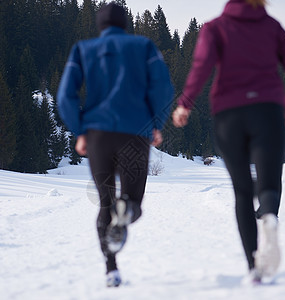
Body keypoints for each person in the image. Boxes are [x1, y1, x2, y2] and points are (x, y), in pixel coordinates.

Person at [173, 0, 285, 283]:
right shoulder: (272, 27)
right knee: (269, 182)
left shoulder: (215, 28)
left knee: (243, 191)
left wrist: (185, 103)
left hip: (229, 114)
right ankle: (269, 215)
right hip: (268, 111)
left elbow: (201, 66)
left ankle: (253, 268)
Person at [57, 2, 174, 287]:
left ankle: (111, 270)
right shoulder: (144, 47)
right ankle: (128, 209)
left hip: (98, 134)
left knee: (104, 202)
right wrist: (156, 123)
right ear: (125, 23)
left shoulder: (83, 50)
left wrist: (79, 129)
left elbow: (65, 95)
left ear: (100, 25)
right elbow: (163, 87)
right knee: (132, 202)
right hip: (135, 132)